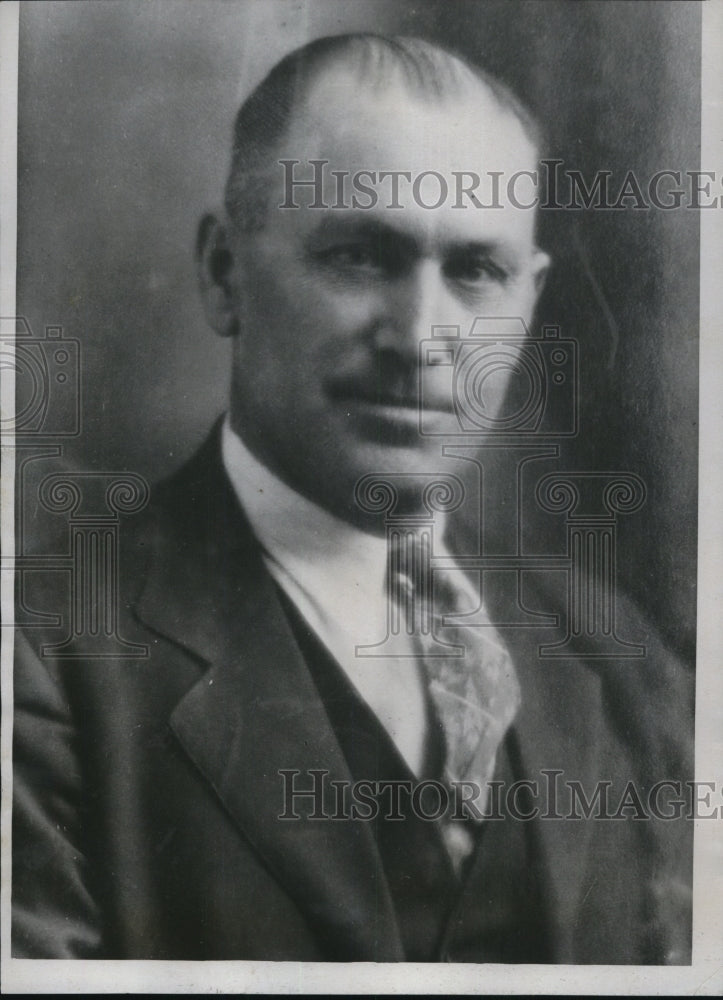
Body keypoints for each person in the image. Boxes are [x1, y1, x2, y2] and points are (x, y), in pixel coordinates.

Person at [12, 33, 693, 963]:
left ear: (527, 303)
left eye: (474, 272)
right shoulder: (44, 647)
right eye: (360, 256)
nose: (420, 337)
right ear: (224, 272)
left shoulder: (623, 664)